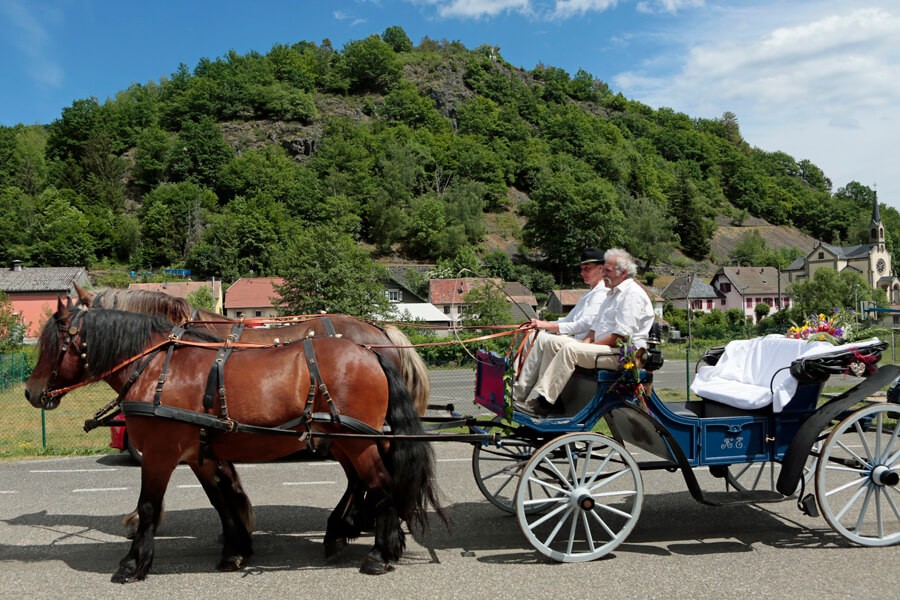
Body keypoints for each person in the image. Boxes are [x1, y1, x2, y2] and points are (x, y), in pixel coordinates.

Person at [515, 248, 654, 417]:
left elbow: (620, 337)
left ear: (623, 272)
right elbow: (594, 328)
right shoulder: (612, 293)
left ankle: (544, 402)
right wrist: (585, 345)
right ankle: (553, 400)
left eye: (607, 271)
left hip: (623, 354)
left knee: (570, 350)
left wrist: (584, 348)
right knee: (552, 342)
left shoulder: (632, 295)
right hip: (606, 348)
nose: (604, 275)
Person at [511, 248, 608, 403]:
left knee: (545, 339)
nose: (583, 273)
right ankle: (513, 386)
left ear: (601, 269)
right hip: (574, 340)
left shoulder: (601, 294)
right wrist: (540, 324)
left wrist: (547, 326)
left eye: (587, 269)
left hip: (583, 344)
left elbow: (583, 325)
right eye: (582, 269)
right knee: (532, 335)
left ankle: (524, 395)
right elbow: (567, 320)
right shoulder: (588, 294)